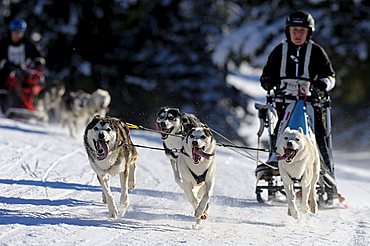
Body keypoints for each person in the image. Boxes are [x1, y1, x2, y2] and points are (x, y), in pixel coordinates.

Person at [255, 11, 336, 186]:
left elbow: (330, 77)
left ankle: (325, 174)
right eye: (294, 30)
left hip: (311, 103)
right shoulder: (279, 51)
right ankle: (275, 161)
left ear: (308, 32)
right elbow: (267, 75)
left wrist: (323, 84)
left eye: (302, 31)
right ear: (288, 31)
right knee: (280, 131)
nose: (298, 34)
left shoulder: (316, 51)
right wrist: (267, 82)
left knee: (319, 137)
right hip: (284, 102)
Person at [0, 18, 45, 113]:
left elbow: (38, 56)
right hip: (6, 71)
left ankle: (36, 107)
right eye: (15, 32)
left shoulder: (28, 44)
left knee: (36, 82)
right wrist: (6, 64)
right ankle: (4, 107)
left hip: (23, 71)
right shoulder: (4, 43)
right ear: (11, 32)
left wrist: (38, 62)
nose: (18, 35)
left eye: (20, 32)